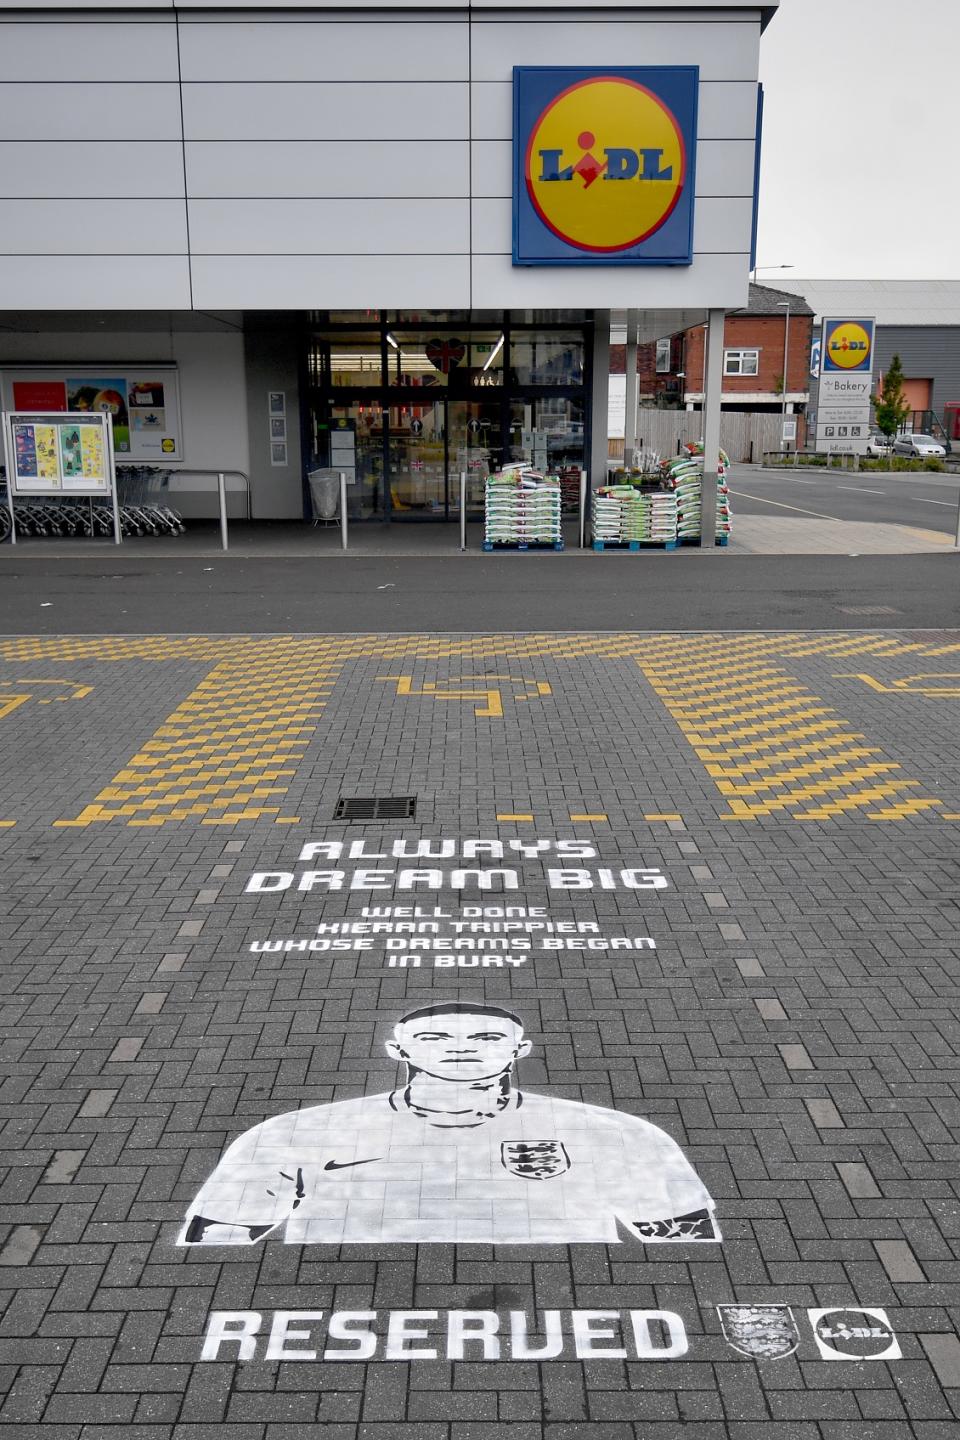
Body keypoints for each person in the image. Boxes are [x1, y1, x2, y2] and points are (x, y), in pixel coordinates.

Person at [180, 1002, 718, 1246]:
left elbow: (681, 1235)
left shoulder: (613, 1133)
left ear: (519, 1050)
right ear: (398, 1050)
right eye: (436, 1039)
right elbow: (223, 1234)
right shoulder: (295, 1134)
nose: (462, 1048)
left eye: (486, 1038)